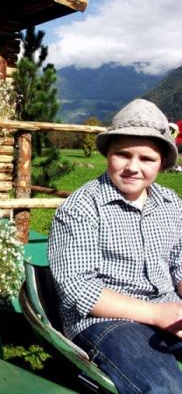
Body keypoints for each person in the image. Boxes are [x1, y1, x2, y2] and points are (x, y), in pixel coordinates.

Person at [48, 99, 182, 393]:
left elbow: (179, 262)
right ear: (108, 153)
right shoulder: (81, 207)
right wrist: (156, 314)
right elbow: (77, 288)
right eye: (123, 155)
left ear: (162, 163)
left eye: (147, 159)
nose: (133, 167)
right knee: (164, 385)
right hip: (107, 319)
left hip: (168, 307)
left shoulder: (172, 204)